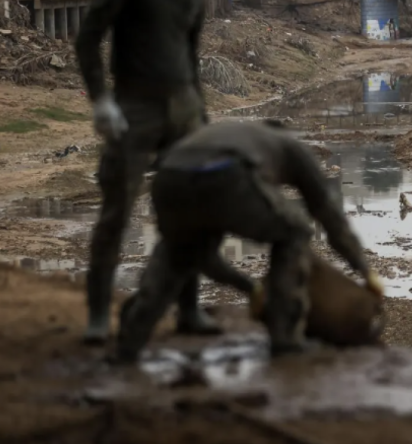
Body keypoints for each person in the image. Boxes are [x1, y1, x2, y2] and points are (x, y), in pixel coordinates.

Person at [74, 0, 230, 345]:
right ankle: (99, 317)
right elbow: (89, 36)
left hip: (184, 109)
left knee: (190, 213)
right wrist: (100, 99)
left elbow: (191, 57)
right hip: (135, 107)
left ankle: (188, 311)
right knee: (116, 212)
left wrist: (200, 114)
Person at [114, 121, 381, 363]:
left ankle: (129, 343)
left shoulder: (240, 134)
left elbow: (205, 258)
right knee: (296, 229)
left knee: (178, 252)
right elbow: (328, 214)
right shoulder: (291, 147)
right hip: (227, 174)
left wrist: (250, 288)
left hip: (168, 178)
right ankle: (285, 338)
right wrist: (364, 269)